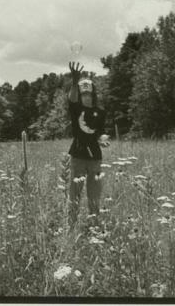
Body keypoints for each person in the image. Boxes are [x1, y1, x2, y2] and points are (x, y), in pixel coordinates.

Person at [67, 62, 109, 229]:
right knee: (75, 195)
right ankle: (71, 226)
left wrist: (103, 138)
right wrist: (74, 81)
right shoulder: (76, 109)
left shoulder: (100, 112)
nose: (86, 97)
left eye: (88, 94)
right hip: (78, 157)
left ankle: (94, 227)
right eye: (83, 94)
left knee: (94, 196)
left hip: (95, 159)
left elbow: (100, 132)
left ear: (93, 95)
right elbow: (71, 99)